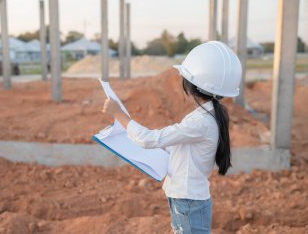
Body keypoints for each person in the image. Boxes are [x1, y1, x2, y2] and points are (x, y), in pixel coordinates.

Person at [102, 41, 242, 234]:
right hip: (185, 198)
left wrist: (119, 114)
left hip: (188, 201)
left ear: (190, 86)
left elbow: (148, 139)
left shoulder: (200, 122)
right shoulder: (207, 116)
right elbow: (175, 145)